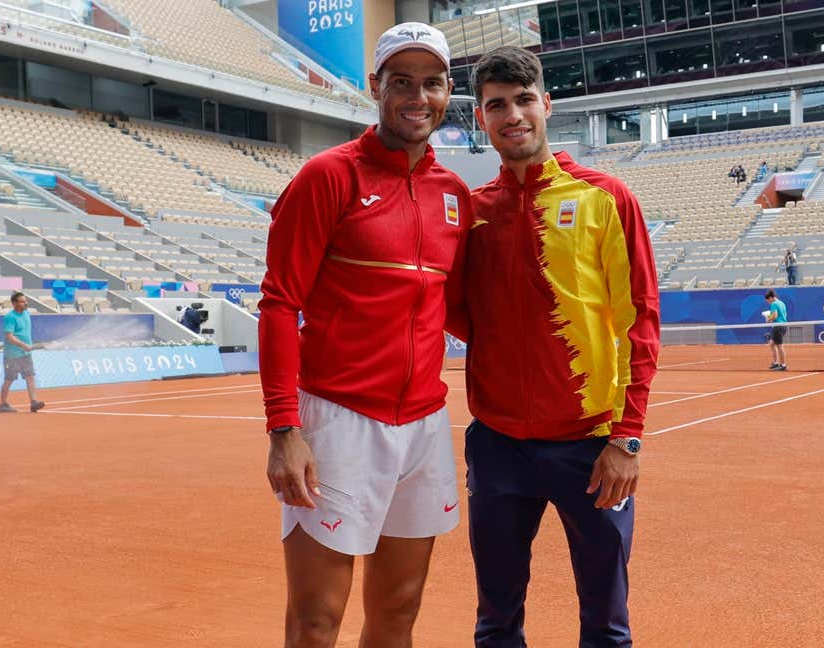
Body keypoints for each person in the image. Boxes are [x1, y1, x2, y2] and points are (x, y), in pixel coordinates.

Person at [258, 23, 470, 648]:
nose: (417, 96)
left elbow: (457, 310)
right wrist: (283, 431)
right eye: (400, 81)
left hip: (424, 426)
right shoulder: (327, 176)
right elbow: (278, 306)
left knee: (399, 612)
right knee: (316, 622)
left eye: (431, 83)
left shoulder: (453, 194)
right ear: (374, 86)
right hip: (337, 421)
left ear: (447, 91)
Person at [460, 45, 661, 647]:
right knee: (496, 620)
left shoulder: (605, 197)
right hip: (497, 445)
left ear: (546, 105)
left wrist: (626, 437)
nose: (512, 115)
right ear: (481, 118)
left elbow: (641, 321)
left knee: (605, 620)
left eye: (523, 100)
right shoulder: (473, 213)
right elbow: (458, 315)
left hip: (592, 445)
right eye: (496, 105)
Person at [0, 291, 45, 413]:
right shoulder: (10, 317)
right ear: (14, 303)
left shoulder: (27, 314)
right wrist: (23, 345)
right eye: (22, 301)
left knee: (30, 377)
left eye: (25, 301)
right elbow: (9, 336)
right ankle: (3, 404)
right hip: (13, 355)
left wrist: (26, 347)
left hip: (26, 354)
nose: (25, 303)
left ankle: (33, 402)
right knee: (9, 380)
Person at [765, 289, 788, 371]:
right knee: (771, 344)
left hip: (778, 326)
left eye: (768, 300)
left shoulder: (774, 304)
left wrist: (768, 318)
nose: (768, 302)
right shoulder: (782, 303)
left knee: (780, 346)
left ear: (771, 298)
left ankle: (783, 365)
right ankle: (775, 363)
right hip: (783, 326)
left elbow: (774, 316)